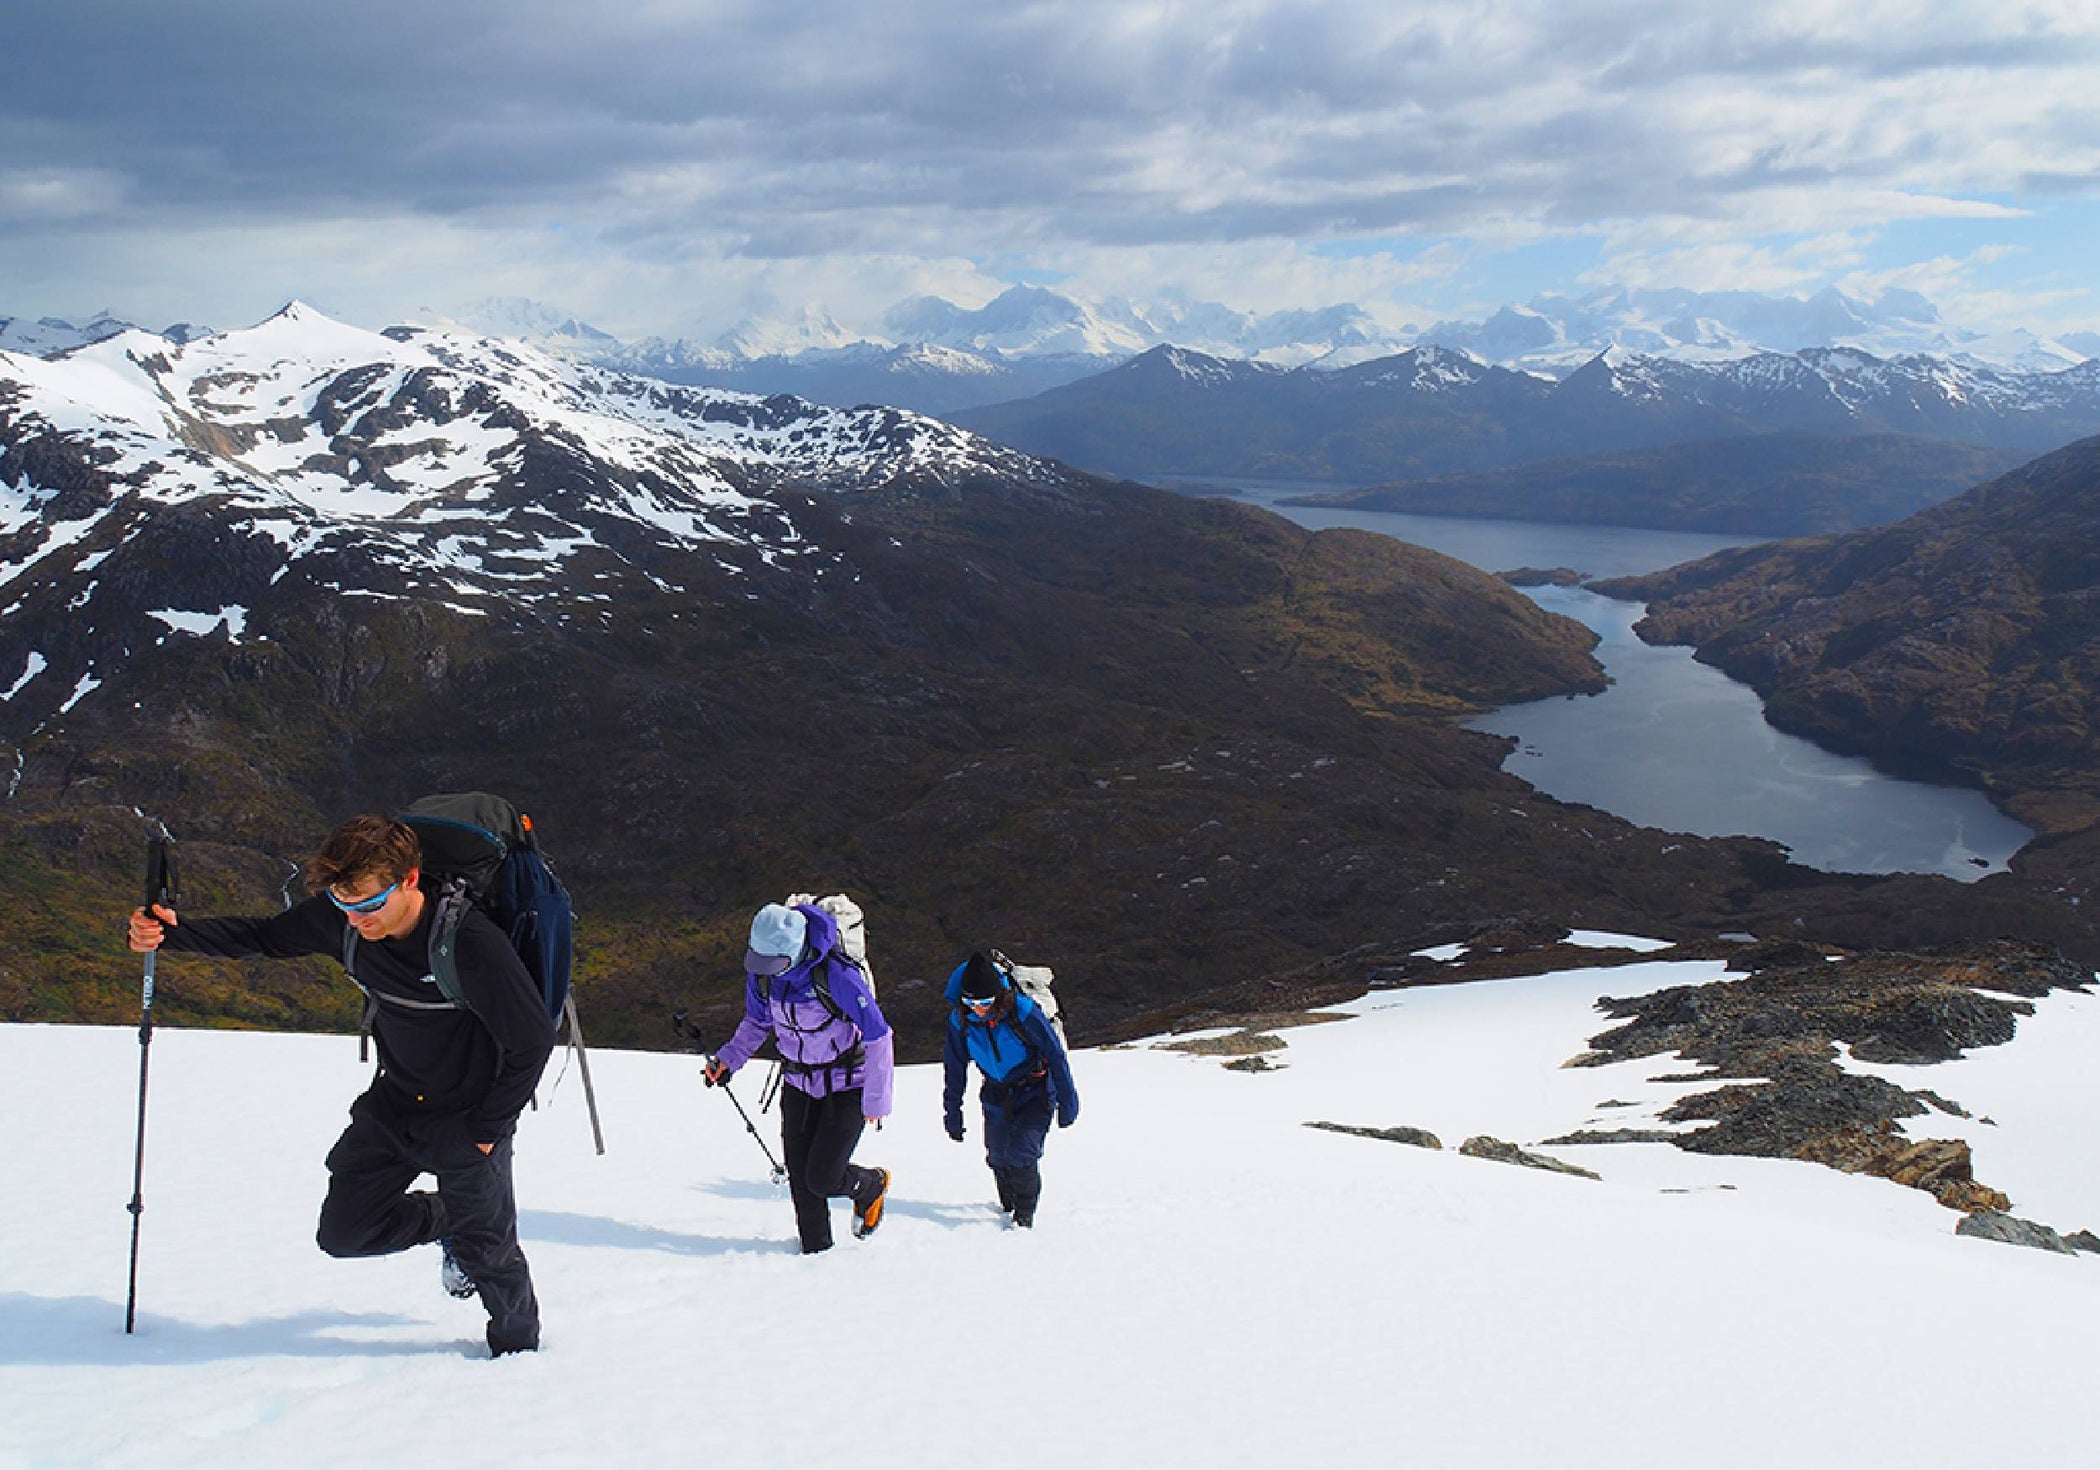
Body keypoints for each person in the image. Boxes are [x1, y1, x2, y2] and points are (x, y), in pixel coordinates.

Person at [125, 814, 555, 1357]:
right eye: (345, 905)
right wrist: (169, 934)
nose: (357, 920)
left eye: (370, 905)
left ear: (410, 881)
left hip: (466, 1118)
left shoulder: (468, 942)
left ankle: (518, 1359)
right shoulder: (342, 918)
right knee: (345, 1234)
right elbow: (264, 936)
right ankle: (444, 1218)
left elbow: (532, 1041)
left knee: (490, 1254)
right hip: (394, 1103)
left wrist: (487, 1131)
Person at [704, 901, 893, 1254]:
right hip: (797, 1084)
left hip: (846, 1085)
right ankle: (816, 1256)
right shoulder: (762, 976)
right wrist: (728, 1059)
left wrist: (876, 1098)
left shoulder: (836, 975)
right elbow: (758, 1022)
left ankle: (870, 1185)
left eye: (774, 964)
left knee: (822, 1178)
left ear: (796, 951)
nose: (767, 972)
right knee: (801, 1182)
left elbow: (878, 1034)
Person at [942, 952, 1078, 1228]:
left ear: (999, 995)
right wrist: (952, 1112)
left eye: (984, 1002)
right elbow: (955, 1068)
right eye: (970, 1002)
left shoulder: (1024, 1012)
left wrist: (1068, 1101)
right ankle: (1007, 1205)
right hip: (996, 1093)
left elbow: (1055, 1054)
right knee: (997, 1155)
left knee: (1021, 1154)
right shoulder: (961, 1021)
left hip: (1036, 1089)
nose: (978, 1008)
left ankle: (1023, 1217)